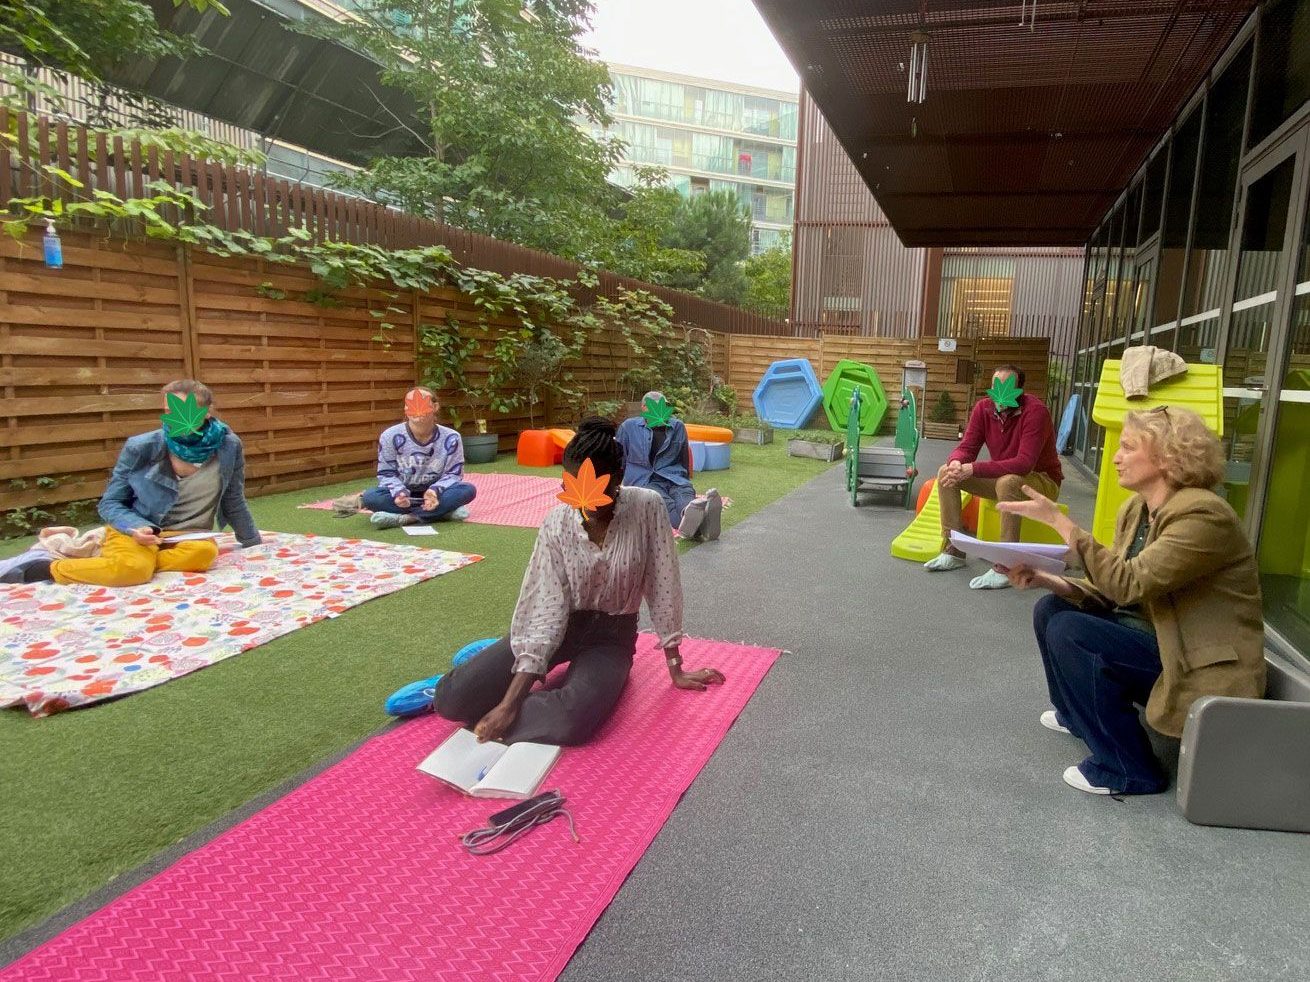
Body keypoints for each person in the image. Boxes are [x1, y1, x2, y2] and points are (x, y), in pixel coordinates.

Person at [997, 406, 1265, 796]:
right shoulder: (1138, 510)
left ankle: (1129, 767)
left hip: (1196, 660)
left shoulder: (1205, 514)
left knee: (1071, 631)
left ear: (1166, 456)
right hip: (1157, 638)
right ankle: (1077, 715)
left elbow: (1128, 585)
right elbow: (1113, 591)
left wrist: (1060, 522)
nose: (1115, 457)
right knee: (1051, 609)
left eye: (1127, 447)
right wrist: (1046, 580)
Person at [432, 417, 726, 745]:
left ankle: (501, 714)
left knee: (572, 718)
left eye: (598, 492)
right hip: (558, 628)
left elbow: (664, 584)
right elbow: (545, 611)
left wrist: (676, 666)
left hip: (610, 639)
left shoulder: (647, 507)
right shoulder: (557, 524)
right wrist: (511, 700)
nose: (586, 505)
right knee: (451, 701)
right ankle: (493, 696)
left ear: (619, 479)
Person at [2, 379, 261, 586]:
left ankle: (138, 561)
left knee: (204, 554)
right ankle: (45, 567)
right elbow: (111, 503)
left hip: (186, 535)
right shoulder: (142, 447)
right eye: (170, 411)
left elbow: (233, 497)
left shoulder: (228, 446)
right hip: (138, 530)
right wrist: (136, 527)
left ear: (206, 412)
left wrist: (252, 542)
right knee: (132, 572)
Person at [923, 364, 1063, 590]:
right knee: (945, 473)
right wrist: (957, 462)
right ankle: (954, 550)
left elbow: (1024, 463)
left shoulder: (1036, 412)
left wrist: (974, 469)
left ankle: (1006, 566)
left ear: (1019, 390)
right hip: (1004, 480)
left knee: (1009, 481)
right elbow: (967, 447)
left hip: (1042, 481)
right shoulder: (983, 409)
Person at [361, 387, 478, 529]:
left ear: (435, 407)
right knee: (370, 497)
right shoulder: (390, 436)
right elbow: (386, 473)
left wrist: (434, 491)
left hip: (437, 494)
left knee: (468, 490)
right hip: (403, 494)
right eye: (410, 403)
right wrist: (399, 493)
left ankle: (408, 518)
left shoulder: (451, 438)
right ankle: (442, 513)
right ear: (405, 409)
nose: (417, 408)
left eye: (423, 402)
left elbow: (454, 474)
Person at [615, 390, 722, 539]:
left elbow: (683, 456)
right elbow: (619, 457)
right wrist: (619, 487)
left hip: (674, 477)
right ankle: (705, 525)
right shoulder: (629, 427)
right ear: (644, 408)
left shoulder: (677, 426)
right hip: (646, 480)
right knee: (663, 503)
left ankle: (691, 514)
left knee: (685, 497)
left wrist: (684, 480)